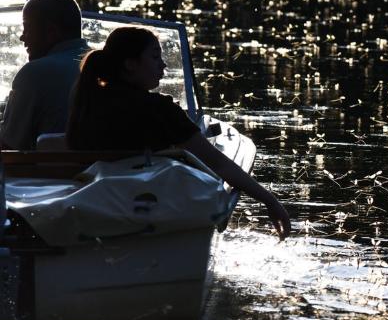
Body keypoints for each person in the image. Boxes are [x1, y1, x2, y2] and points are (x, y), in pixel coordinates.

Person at [66, 27, 291, 240]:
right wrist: (270, 201)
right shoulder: (159, 110)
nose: (163, 65)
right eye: (155, 57)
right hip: (149, 215)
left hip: (91, 209)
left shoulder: (87, 104)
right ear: (130, 64)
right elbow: (218, 164)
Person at [0, 0, 89, 150]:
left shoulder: (34, 73)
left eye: (27, 28)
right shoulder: (103, 64)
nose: (22, 37)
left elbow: (8, 146)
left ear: (51, 32)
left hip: (47, 172)